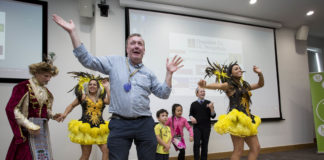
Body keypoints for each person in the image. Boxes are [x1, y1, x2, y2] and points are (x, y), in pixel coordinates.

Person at [52, 14, 183, 160]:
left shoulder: (148, 73)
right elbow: (87, 60)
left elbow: (163, 93)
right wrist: (72, 33)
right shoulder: (114, 62)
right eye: (132, 43)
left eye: (140, 44)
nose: (136, 46)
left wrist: (169, 74)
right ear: (127, 48)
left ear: (144, 50)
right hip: (120, 123)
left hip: (144, 123)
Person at [198, 61, 264, 160]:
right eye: (236, 69)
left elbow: (260, 84)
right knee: (238, 150)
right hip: (236, 120)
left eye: (239, 68)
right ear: (231, 73)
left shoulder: (244, 86)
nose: (239, 70)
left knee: (256, 148)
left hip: (248, 119)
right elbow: (218, 86)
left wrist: (260, 73)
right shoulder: (229, 85)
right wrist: (205, 86)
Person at [5, 61, 60, 160]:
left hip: (41, 132)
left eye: (50, 77)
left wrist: (53, 115)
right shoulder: (22, 87)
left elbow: (44, 109)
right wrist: (29, 125)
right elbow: (12, 109)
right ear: (36, 73)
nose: (48, 79)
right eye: (46, 76)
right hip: (27, 132)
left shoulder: (46, 92)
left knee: (42, 156)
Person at [56, 72, 110, 160]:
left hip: (100, 128)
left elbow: (110, 101)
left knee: (106, 150)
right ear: (87, 86)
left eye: (94, 85)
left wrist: (107, 88)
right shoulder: (83, 97)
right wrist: (65, 114)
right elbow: (71, 105)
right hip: (86, 129)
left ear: (98, 87)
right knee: (86, 155)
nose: (92, 86)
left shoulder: (102, 98)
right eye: (90, 84)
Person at [189, 87, 216, 160]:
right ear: (197, 93)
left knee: (205, 145)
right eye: (201, 91)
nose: (203, 92)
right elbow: (190, 114)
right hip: (197, 127)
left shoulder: (208, 102)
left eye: (204, 91)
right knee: (196, 144)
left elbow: (213, 116)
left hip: (206, 127)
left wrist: (211, 108)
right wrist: (191, 117)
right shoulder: (193, 104)